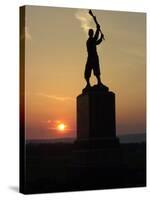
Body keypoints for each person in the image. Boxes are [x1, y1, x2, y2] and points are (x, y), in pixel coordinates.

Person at [84, 22, 104, 88]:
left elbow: (97, 42)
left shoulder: (92, 40)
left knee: (97, 71)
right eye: (90, 32)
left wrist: (101, 38)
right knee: (87, 72)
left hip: (94, 57)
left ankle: (99, 82)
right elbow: (95, 39)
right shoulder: (89, 41)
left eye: (91, 32)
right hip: (90, 57)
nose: (91, 33)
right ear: (89, 34)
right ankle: (88, 84)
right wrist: (98, 29)